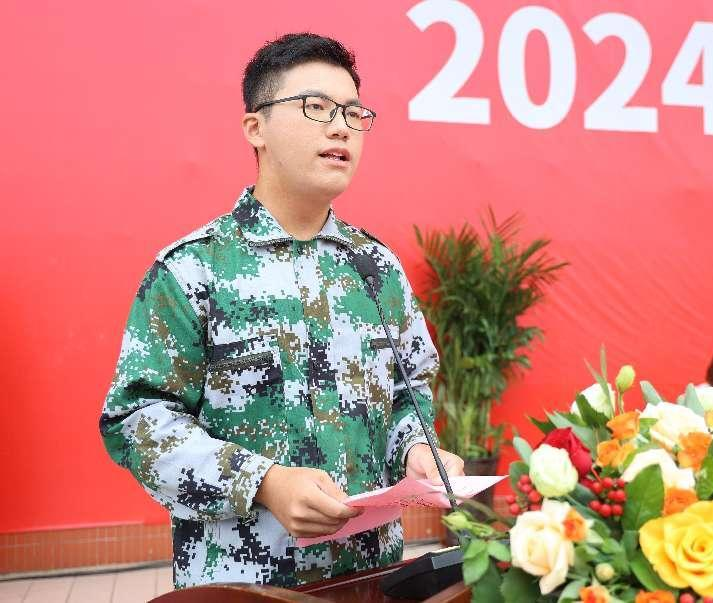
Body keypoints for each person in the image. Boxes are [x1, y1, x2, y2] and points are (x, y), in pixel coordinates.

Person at [99, 33, 464, 589]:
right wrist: (263, 482)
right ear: (256, 128)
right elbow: (137, 421)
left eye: (353, 113)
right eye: (316, 107)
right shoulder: (193, 270)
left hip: (371, 578)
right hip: (241, 588)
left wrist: (415, 450)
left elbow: (407, 394)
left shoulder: (375, 267)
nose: (340, 128)